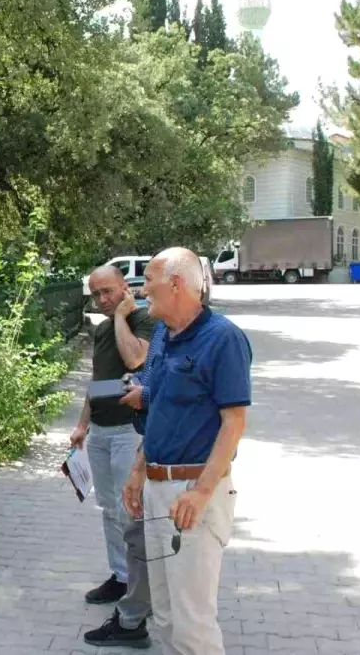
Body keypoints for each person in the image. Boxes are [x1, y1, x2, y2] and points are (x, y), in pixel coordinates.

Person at [122, 248, 250, 655]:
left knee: (193, 624)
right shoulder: (165, 337)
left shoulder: (222, 339)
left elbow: (234, 422)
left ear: (176, 284)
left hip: (191, 493)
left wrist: (201, 491)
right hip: (158, 489)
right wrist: (139, 470)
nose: (143, 291)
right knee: (166, 616)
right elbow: (159, 409)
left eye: (150, 282)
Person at [74, 265, 155, 648]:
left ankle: (136, 596)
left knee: (129, 512)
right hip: (101, 433)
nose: (103, 300)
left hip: (128, 432)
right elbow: (98, 383)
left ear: (126, 287)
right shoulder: (103, 328)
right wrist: (81, 424)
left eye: (109, 291)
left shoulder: (142, 320)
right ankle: (120, 576)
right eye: (97, 295)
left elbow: (136, 359)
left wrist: (123, 315)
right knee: (108, 509)